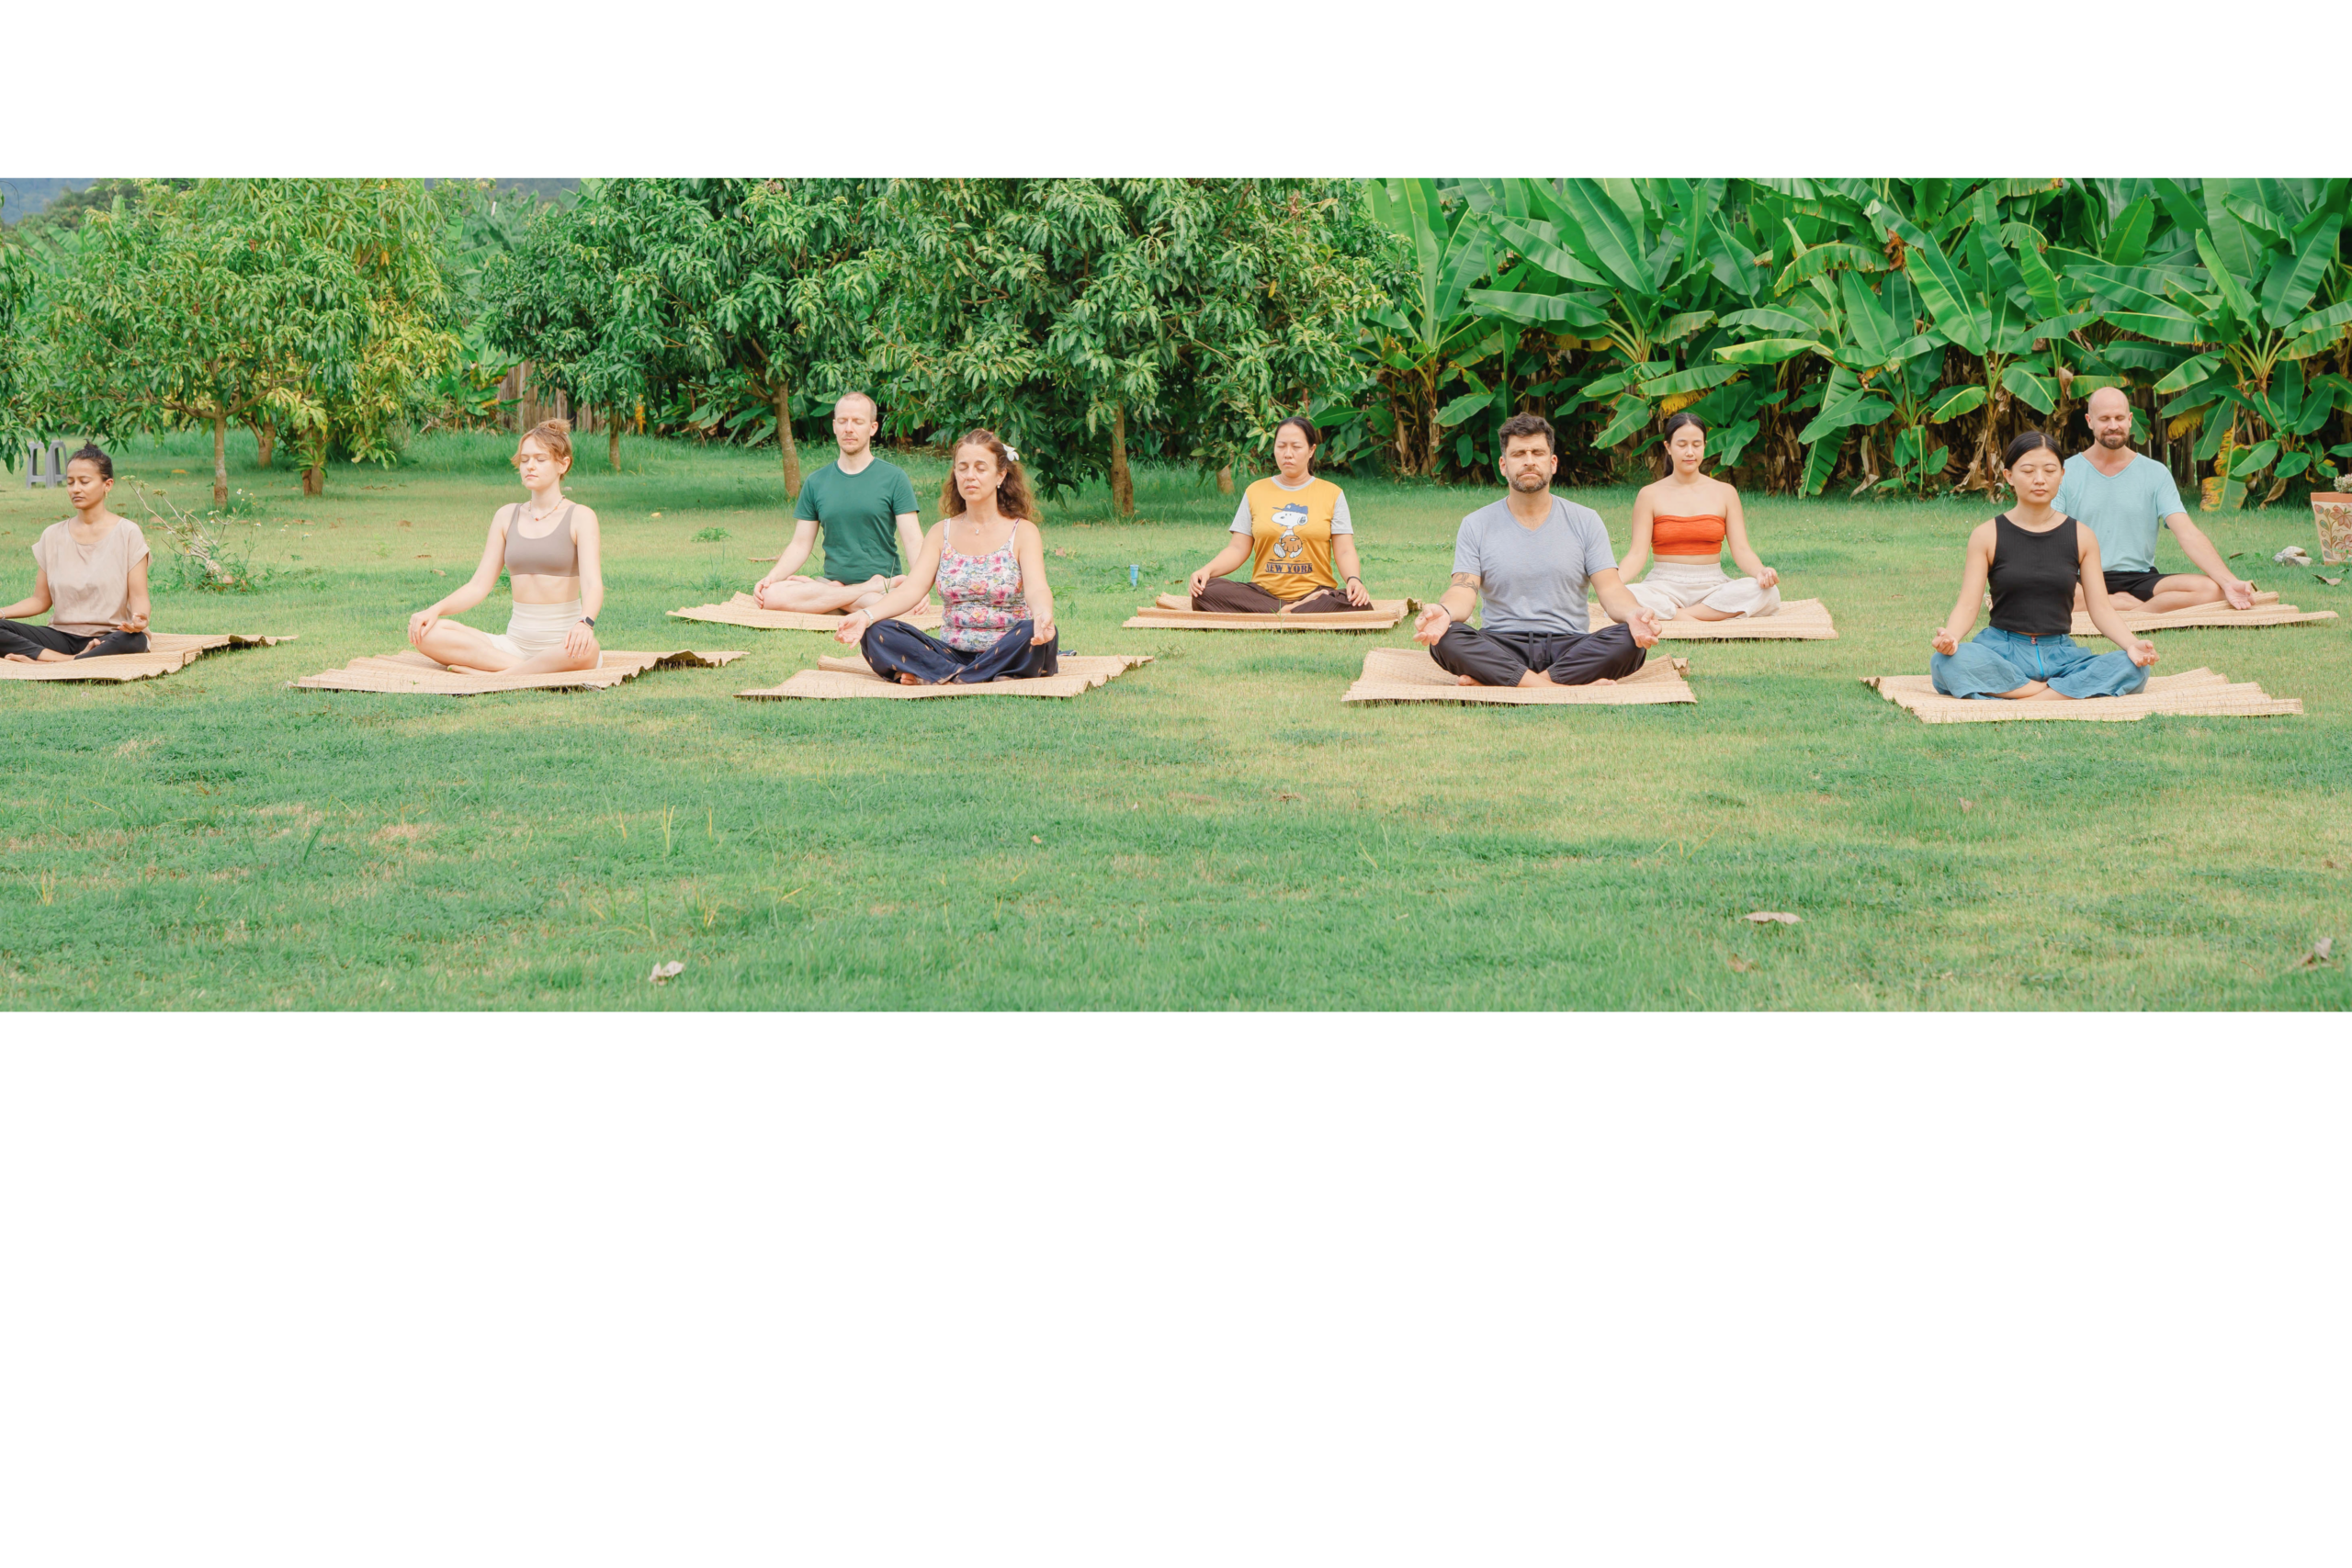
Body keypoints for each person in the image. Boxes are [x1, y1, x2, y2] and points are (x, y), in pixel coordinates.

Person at [1412, 413, 1660, 687]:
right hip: (1502, 643)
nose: (1529, 460)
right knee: (1446, 637)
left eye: (1538, 452)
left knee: (1630, 640)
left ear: (1552, 463)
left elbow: (1611, 590)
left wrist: (1633, 614)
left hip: (1569, 645)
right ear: (1503, 465)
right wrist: (1445, 612)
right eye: (1519, 453)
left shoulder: (1586, 520)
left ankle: (1507, 682)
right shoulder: (1476, 524)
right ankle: (1556, 687)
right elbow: (1463, 591)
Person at [1931, 430, 2157, 701]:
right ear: (2009, 477)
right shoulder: (1986, 535)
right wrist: (1952, 637)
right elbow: (1968, 604)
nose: (2040, 480)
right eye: (2028, 471)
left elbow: (2101, 608)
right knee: (1945, 662)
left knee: (2134, 667)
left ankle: (2018, 694)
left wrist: (2132, 645)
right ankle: (2052, 695)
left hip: (2061, 656)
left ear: (2062, 475)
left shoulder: (2082, 536)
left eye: (2049, 470)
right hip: (2002, 651)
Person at [835, 430, 1057, 684]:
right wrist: (866, 616)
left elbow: (1037, 588)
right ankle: (973, 675)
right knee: (876, 632)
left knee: (1033, 633)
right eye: (962, 468)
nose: (970, 476)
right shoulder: (941, 532)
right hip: (950, 652)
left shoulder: (1023, 532)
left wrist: (1043, 615)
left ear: (1001, 475)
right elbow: (911, 590)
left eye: (980, 468)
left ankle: (938, 675)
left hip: (1009, 647)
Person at [407, 420, 605, 674]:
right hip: (512, 647)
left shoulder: (581, 516)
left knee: (589, 651)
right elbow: (478, 586)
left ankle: (494, 676)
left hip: (564, 646)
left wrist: (584, 624)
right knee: (426, 633)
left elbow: (592, 584)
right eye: (524, 460)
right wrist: (433, 610)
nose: (530, 466)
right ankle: (525, 671)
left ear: (562, 464)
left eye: (540, 459)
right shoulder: (506, 516)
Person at [2056, 387, 2255, 615]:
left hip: (2139, 579)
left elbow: (2187, 533)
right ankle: (2128, 607)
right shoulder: (2065, 472)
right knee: (2044, 590)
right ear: (2090, 421)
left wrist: (2229, 581)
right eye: (2104, 419)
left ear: (2130, 420)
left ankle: (2132, 611)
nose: (2113, 425)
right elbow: (2049, 536)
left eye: (2119, 418)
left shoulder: (2155, 473)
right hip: (2083, 579)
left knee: (2212, 590)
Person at [753, 393, 924, 615]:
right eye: (842, 421)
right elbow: (800, 545)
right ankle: (854, 592)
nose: (849, 429)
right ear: (834, 426)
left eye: (858, 422)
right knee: (769, 595)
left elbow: (913, 540)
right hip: (836, 584)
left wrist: (918, 589)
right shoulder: (816, 481)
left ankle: (831, 595)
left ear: (872, 428)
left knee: (894, 607)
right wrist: (772, 578)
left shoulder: (894, 478)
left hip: (881, 588)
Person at [1186, 417, 1373, 614]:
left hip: (1317, 593)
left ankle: (1279, 612)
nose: (1288, 454)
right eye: (1281, 446)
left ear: (1311, 450)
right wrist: (1206, 571)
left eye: (1296, 447)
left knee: (1359, 602)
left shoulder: (1332, 494)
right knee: (1205, 593)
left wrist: (1354, 579)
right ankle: (1291, 611)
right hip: (1263, 594)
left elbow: (1344, 550)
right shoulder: (1255, 491)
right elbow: (1237, 548)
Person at [1615, 413, 1780, 621]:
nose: (1690, 452)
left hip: (1712, 586)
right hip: (1664, 586)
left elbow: (1741, 549)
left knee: (1768, 593)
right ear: (1668, 447)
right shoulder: (1649, 495)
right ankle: (1706, 618)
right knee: (1625, 597)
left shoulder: (1726, 492)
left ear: (1704, 446)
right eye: (1682, 445)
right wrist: (1613, 583)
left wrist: (1761, 572)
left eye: (1696, 444)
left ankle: (1680, 617)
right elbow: (1637, 554)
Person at [0, 444, 153, 662]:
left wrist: (141, 619)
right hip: (61, 636)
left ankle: (54, 662)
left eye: (84, 481)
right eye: (70, 482)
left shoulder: (128, 533)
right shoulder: (52, 535)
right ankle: (68, 661)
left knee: (136, 640)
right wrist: (2, 612)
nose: (75, 489)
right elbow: (40, 600)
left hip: (109, 636)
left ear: (107, 485)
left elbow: (139, 596)